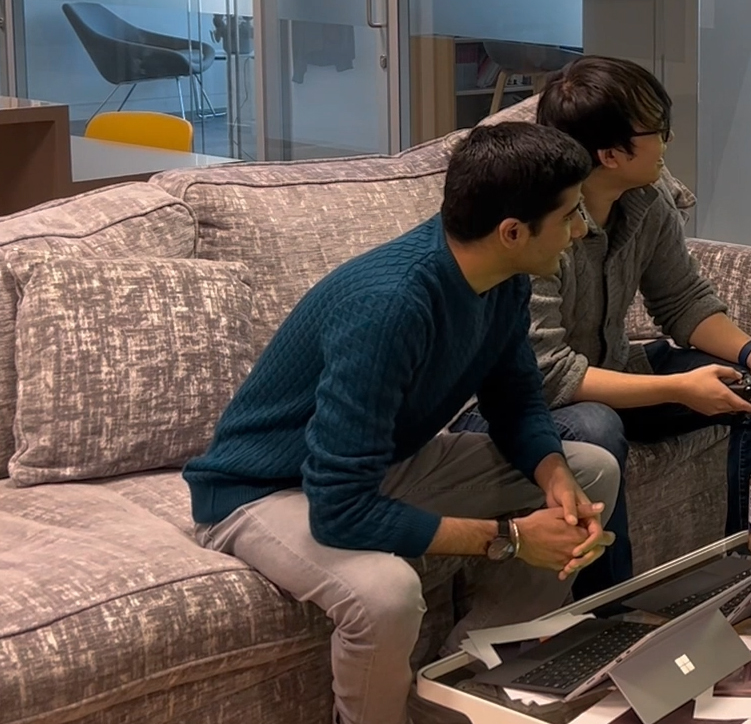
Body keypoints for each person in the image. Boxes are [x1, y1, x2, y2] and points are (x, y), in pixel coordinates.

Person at [184, 123, 616, 724]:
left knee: (591, 471)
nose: (580, 230)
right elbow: (340, 510)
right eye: (570, 215)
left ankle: (467, 691)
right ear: (512, 232)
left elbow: (516, 401)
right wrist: (512, 537)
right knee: (386, 594)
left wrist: (553, 476)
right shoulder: (390, 308)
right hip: (260, 490)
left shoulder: (506, 278)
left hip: (373, 464)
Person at [453, 56, 751, 597]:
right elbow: (546, 376)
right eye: (658, 131)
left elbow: (682, 300)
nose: (668, 141)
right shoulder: (539, 228)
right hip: (517, 406)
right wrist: (678, 388)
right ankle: (611, 612)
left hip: (611, 368)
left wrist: (748, 351)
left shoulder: (646, 197)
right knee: (596, 427)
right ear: (611, 155)